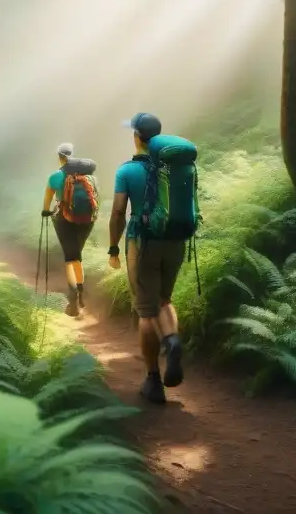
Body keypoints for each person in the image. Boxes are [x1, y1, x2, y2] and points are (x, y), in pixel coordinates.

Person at [107, 112, 186, 404]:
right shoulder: (177, 168)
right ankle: (172, 339)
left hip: (143, 244)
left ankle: (154, 380)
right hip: (175, 242)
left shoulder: (127, 171)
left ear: (137, 137)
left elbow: (117, 213)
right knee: (164, 300)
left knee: (146, 310)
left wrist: (113, 247)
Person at [42, 142, 97, 317]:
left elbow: (47, 202)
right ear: (72, 155)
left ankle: (73, 293)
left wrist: (46, 212)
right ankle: (81, 291)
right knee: (77, 254)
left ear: (60, 157)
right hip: (87, 220)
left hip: (65, 220)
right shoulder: (90, 178)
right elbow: (96, 199)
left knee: (70, 257)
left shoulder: (55, 177)